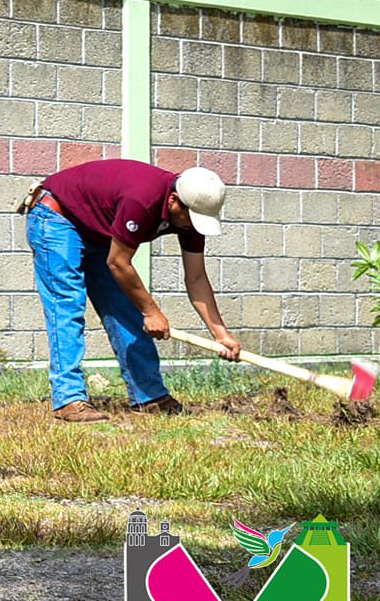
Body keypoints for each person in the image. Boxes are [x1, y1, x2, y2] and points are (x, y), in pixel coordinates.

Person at [22, 159, 241, 423]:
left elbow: (196, 278)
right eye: (192, 219)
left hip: (99, 234)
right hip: (57, 218)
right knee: (67, 305)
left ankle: (149, 396)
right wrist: (152, 311)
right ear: (173, 201)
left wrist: (221, 334)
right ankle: (69, 399)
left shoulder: (192, 217)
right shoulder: (143, 200)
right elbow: (118, 262)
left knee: (126, 309)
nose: (195, 225)